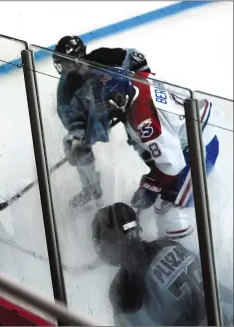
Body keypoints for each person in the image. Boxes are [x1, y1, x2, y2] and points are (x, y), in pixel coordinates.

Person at [91, 69, 220, 239]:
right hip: (194, 129)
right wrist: (152, 184)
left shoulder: (144, 121)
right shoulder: (136, 78)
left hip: (198, 148)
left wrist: (150, 186)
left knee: (171, 209)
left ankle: (191, 255)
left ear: (121, 96)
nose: (108, 110)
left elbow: (172, 165)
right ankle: (167, 243)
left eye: (109, 104)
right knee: (162, 202)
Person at [91, 202, 233, 326]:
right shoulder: (168, 244)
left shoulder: (123, 288)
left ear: (112, 243)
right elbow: (218, 287)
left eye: (100, 242)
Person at [52, 35, 150, 208]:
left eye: (66, 62)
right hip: (98, 117)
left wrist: (142, 85)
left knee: (142, 135)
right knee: (75, 146)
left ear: (78, 58)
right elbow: (70, 116)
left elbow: (137, 58)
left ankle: (158, 172)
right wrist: (77, 137)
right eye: (61, 63)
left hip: (128, 103)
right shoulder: (66, 88)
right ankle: (91, 188)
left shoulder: (102, 57)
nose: (64, 68)